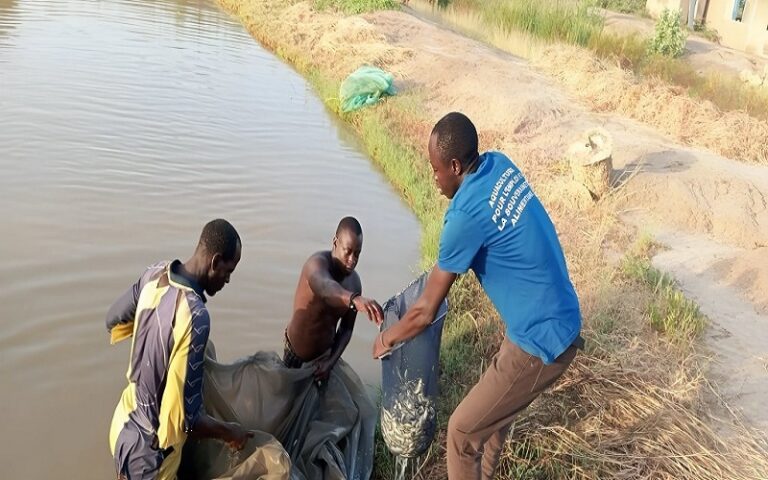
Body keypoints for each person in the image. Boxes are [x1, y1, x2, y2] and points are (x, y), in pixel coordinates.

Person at [372, 112, 583, 480]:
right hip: (552, 310)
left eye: (436, 170)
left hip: (541, 340)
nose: (433, 178)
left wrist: (386, 338)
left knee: (462, 434)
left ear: (455, 166)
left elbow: (424, 311)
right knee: (494, 417)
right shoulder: (497, 164)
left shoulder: (464, 217)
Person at [106, 219, 253, 480]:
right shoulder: (196, 317)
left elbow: (113, 320)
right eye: (228, 271)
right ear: (215, 261)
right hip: (152, 456)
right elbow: (189, 420)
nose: (228, 280)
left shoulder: (154, 274)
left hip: (122, 426)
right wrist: (231, 432)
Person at [284, 216, 384, 384]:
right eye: (348, 252)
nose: (352, 261)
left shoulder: (354, 283)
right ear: (335, 243)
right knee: (287, 405)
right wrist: (354, 300)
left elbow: (346, 329)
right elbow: (326, 288)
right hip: (296, 358)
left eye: (357, 254)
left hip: (324, 359)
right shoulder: (316, 265)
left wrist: (330, 363)